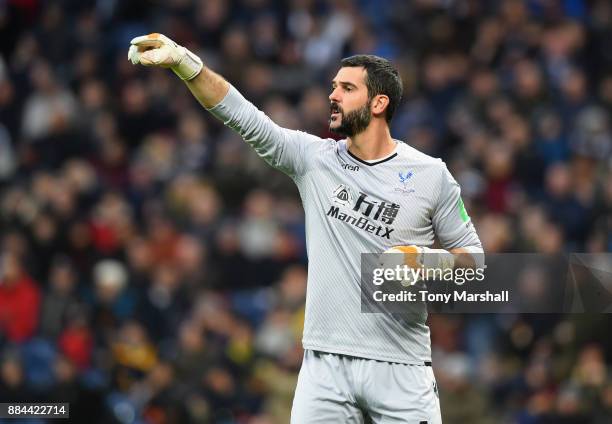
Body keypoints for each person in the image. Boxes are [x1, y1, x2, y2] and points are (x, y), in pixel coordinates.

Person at [128, 33, 484, 423]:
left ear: (379, 103)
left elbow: (473, 261)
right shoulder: (314, 160)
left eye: (347, 88)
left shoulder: (431, 175)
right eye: (333, 86)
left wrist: (423, 262)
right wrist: (185, 63)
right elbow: (242, 116)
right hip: (324, 366)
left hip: (400, 366)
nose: (333, 95)